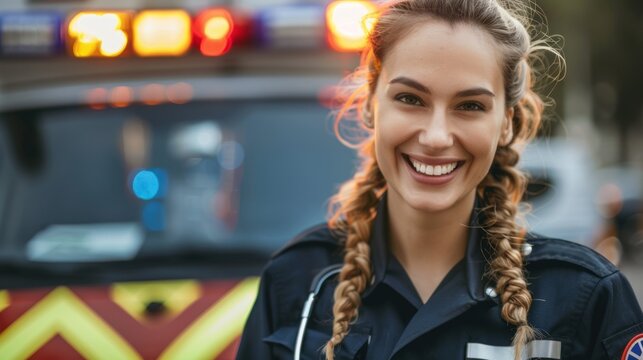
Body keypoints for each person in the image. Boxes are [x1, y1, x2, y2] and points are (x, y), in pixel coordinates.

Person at [237, 0, 643, 359]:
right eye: (410, 99)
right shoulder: (296, 282)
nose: (435, 137)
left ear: (506, 123)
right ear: (371, 105)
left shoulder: (584, 296)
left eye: (470, 105)